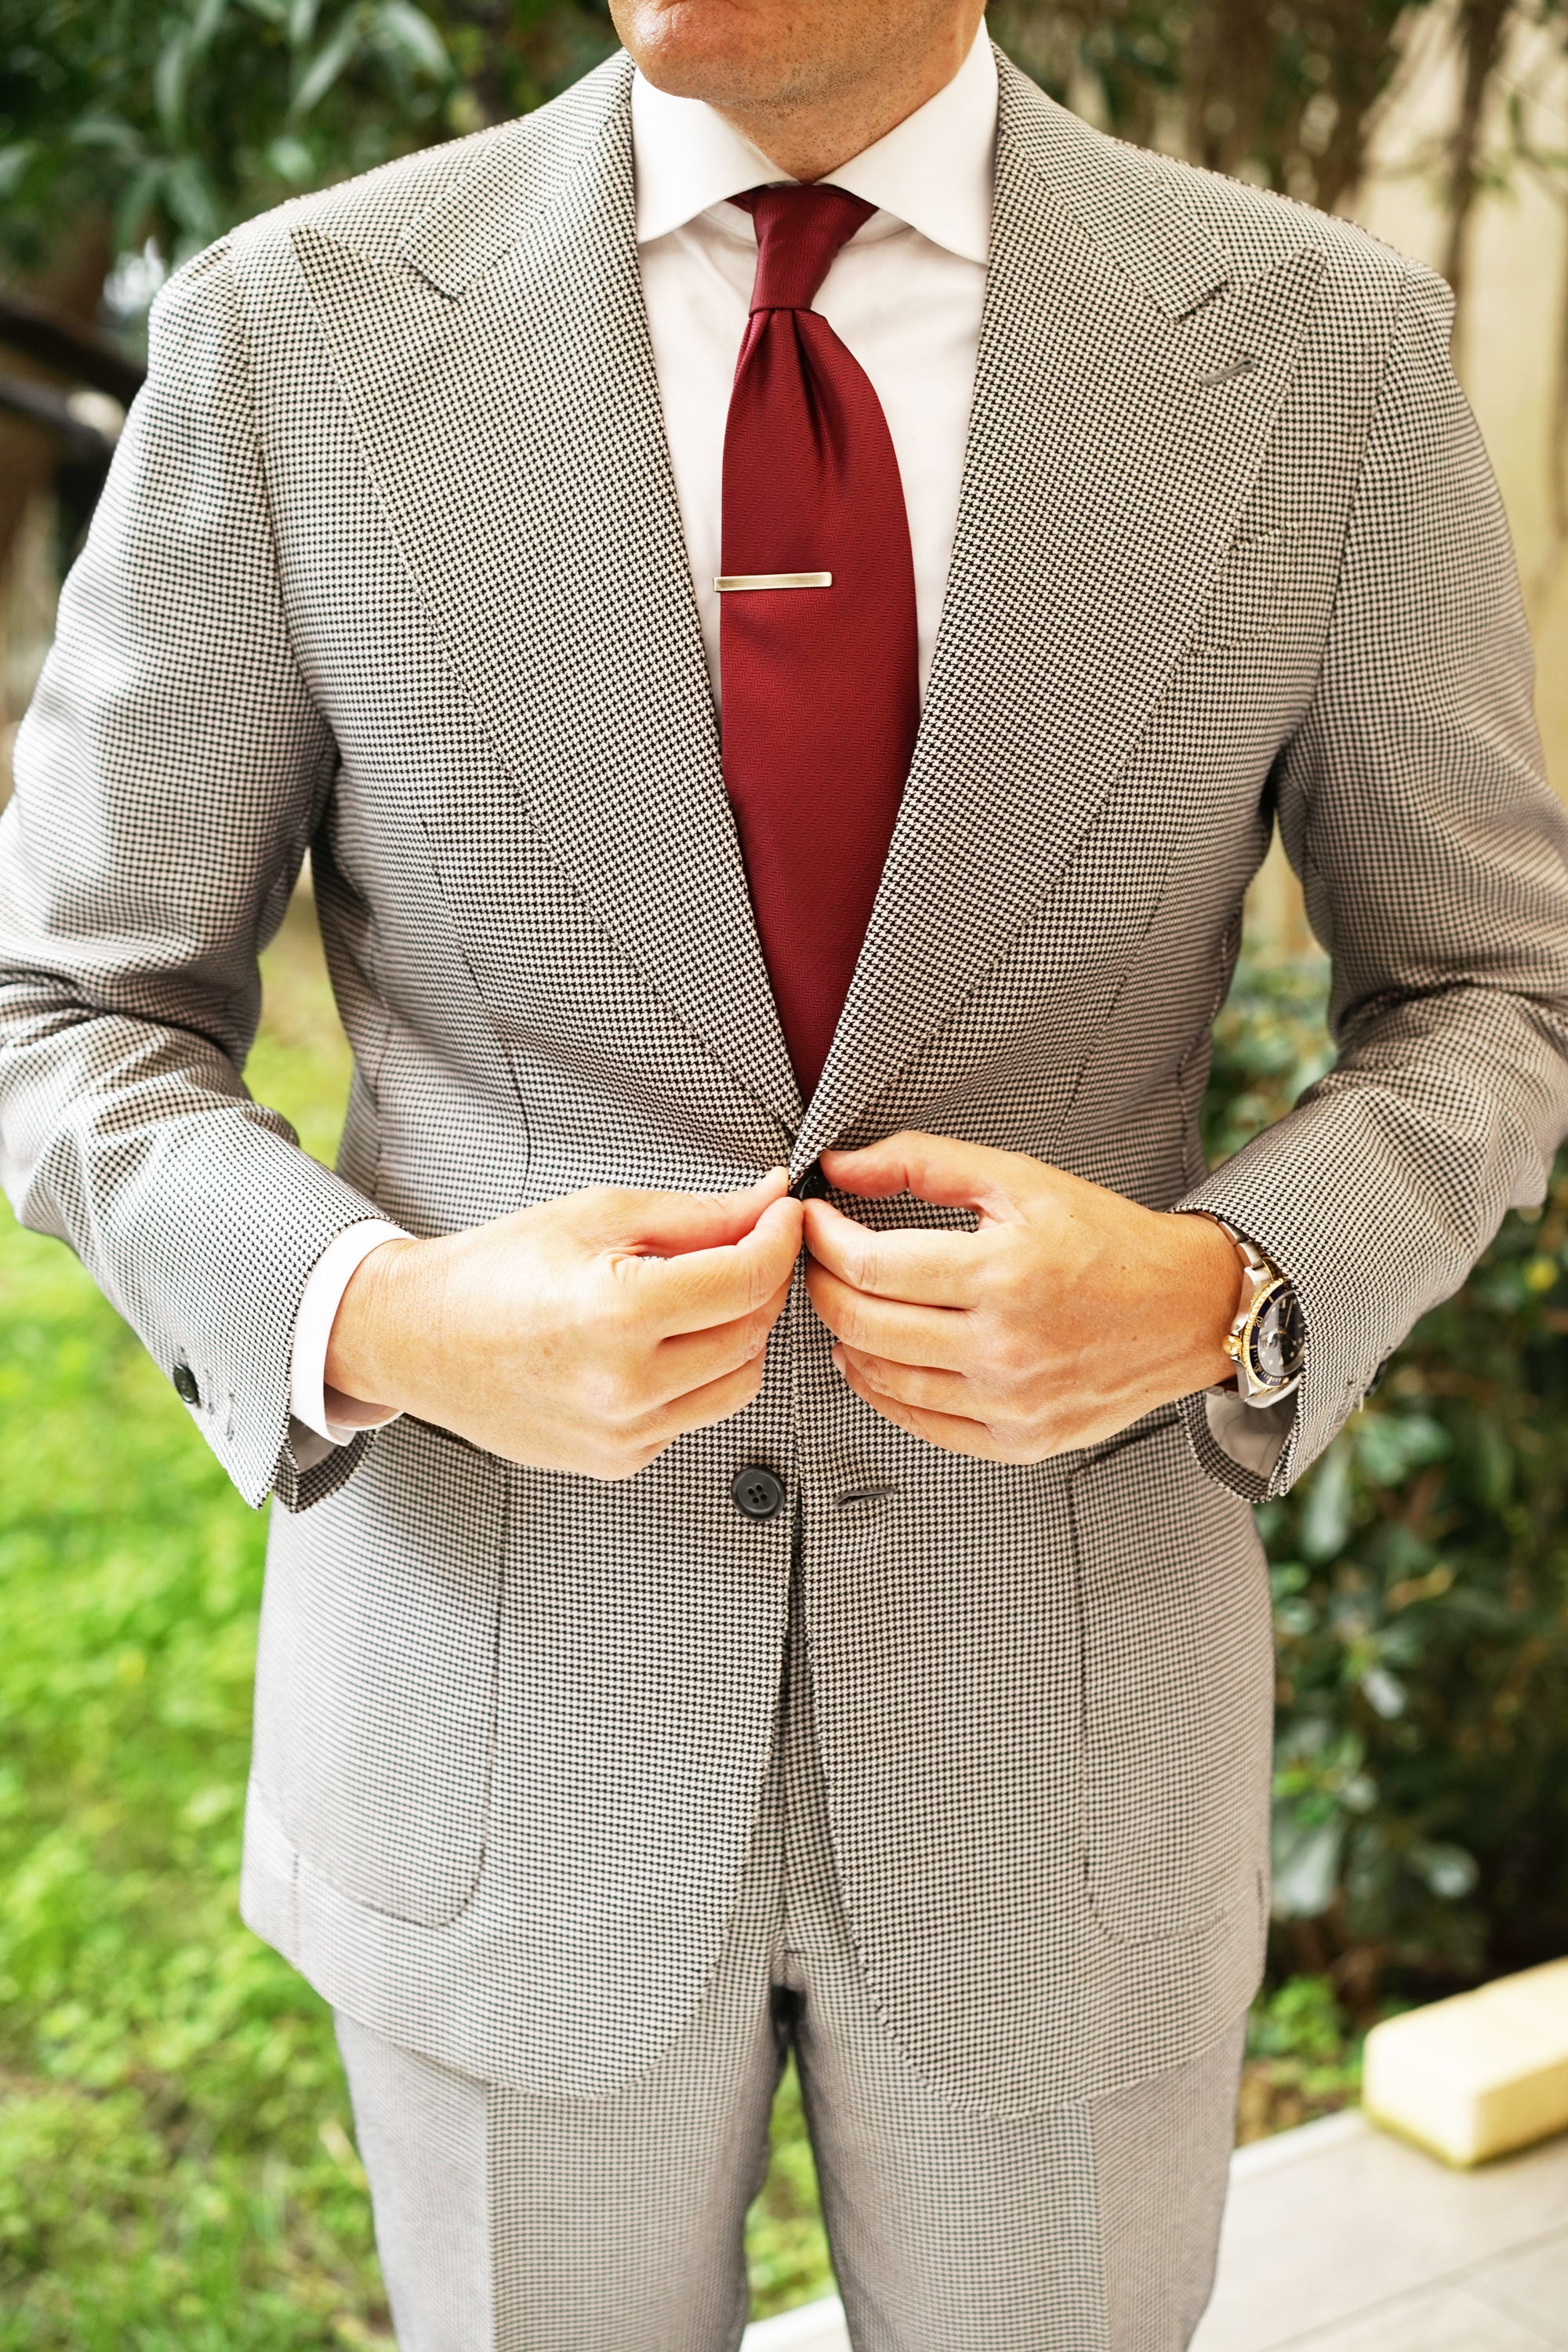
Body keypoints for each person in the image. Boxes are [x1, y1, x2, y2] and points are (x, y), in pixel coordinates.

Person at [3, 0, 1567, 2343]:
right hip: (504, 1737)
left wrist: (1232, 1284)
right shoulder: (290, 329)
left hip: (1068, 1752)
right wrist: (390, 1318)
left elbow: (1495, 995)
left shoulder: (1318, 352)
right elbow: (65, 1013)